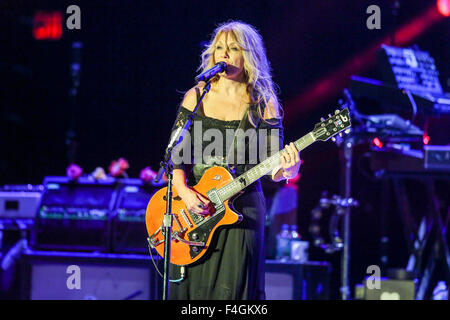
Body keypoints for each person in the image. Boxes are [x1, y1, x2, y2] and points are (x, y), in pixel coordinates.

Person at [168, 20, 301, 300]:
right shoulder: (196, 97)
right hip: (196, 209)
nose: (224, 54)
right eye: (219, 48)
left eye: (232, 48)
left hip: (243, 209)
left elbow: (272, 163)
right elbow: (176, 157)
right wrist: (184, 193)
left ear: (248, 55)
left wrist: (288, 168)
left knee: (236, 292)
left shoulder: (263, 102)